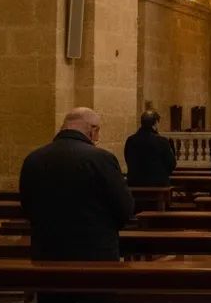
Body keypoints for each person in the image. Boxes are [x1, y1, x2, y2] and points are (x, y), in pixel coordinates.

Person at [20, 107, 135, 262]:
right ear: (93, 130)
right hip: (94, 251)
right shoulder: (102, 159)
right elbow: (124, 208)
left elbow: (27, 206)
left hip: (46, 251)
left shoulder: (33, 159)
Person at [123, 109, 176, 186]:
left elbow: (128, 159)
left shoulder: (131, 140)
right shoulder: (162, 141)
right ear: (155, 124)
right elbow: (171, 164)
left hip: (135, 184)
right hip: (158, 186)